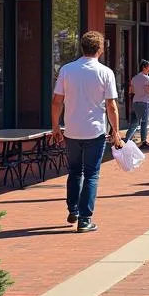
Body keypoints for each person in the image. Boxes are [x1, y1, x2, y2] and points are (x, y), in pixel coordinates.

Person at [50, 30, 122, 233]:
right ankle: (85, 219)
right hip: (95, 131)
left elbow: (57, 101)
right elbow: (112, 105)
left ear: (82, 47)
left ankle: (73, 209)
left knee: (74, 172)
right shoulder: (105, 72)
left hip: (71, 130)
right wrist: (116, 131)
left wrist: (55, 126)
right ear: (100, 49)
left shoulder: (67, 69)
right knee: (91, 175)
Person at [126, 59, 149, 149]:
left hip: (135, 102)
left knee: (134, 123)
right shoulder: (147, 78)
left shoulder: (134, 78)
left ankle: (126, 140)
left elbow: (131, 91)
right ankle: (143, 141)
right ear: (144, 67)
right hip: (145, 103)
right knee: (144, 122)